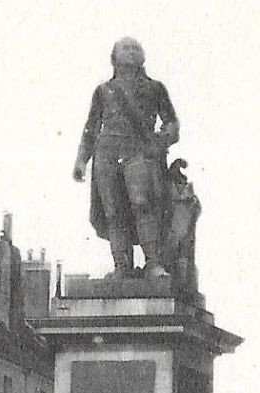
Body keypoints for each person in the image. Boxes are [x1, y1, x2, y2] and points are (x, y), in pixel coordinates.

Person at [72, 37, 181, 278]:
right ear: (114, 56)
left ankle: (153, 263)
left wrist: (159, 142)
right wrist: (81, 160)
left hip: (139, 150)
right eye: (125, 48)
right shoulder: (103, 91)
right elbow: (91, 128)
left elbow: (172, 123)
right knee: (113, 212)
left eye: (135, 48)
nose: (131, 52)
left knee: (144, 207)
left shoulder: (155, 88)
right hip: (107, 152)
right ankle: (122, 266)